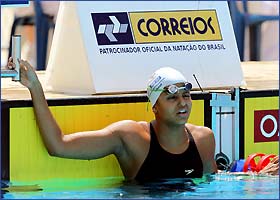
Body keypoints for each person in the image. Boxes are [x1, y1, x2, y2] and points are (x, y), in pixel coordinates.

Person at [7, 58, 217, 182]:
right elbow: (58, 146)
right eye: (172, 98)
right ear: (154, 107)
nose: (182, 103)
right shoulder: (131, 138)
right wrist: (35, 87)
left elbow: (212, 189)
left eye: (186, 96)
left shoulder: (203, 139)